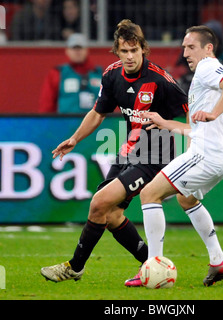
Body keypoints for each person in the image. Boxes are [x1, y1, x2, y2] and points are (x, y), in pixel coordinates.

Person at [40, 19, 188, 286]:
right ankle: (151, 265)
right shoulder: (111, 75)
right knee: (109, 216)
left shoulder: (160, 79)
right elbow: (98, 112)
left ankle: (74, 267)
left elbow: (190, 116)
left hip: (155, 157)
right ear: (117, 52)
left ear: (143, 49)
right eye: (124, 51)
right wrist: (74, 138)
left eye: (134, 50)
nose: (130, 56)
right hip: (129, 151)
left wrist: (193, 149)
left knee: (98, 202)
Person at [139, 25, 223, 287]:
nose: (185, 52)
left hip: (207, 154)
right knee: (186, 199)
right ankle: (218, 260)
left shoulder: (208, 66)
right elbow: (194, 129)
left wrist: (213, 113)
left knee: (149, 194)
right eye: (184, 47)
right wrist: (165, 122)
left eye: (191, 46)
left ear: (208, 48)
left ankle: (152, 267)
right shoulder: (203, 82)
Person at [39, 33, 103, 113]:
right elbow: (47, 104)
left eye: (80, 48)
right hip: (66, 123)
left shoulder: (100, 74)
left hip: (96, 124)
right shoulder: (57, 73)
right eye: (74, 49)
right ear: (67, 51)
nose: (77, 52)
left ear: (87, 50)